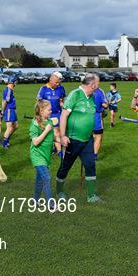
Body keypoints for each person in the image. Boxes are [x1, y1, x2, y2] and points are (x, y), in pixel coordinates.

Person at [56, 73, 101, 203]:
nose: (98, 86)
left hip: (87, 140)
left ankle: (91, 196)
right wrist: (63, 136)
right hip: (72, 139)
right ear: (92, 85)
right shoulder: (74, 95)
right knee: (66, 166)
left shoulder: (91, 97)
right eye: (97, 84)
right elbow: (63, 116)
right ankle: (59, 191)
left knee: (90, 165)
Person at [29, 100, 58, 207]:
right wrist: (46, 130)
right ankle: (51, 205)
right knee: (47, 178)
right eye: (49, 110)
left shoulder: (49, 122)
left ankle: (35, 201)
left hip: (46, 156)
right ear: (41, 111)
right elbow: (35, 142)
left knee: (40, 180)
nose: (51, 111)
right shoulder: (35, 124)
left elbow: (52, 137)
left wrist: (61, 140)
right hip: (37, 156)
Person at [37, 72, 66, 155]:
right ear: (50, 81)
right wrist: (40, 114)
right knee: (49, 132)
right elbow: (39, 102)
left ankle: (58, 150)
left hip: (57, 113)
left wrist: (64, 108)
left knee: (58, 132)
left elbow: (62, 100)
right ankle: (55, 149)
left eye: (58, 82)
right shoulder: (43, 89)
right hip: (47, 115)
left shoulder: (60, 88)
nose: (58, 84)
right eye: (56, 82)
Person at [1, 77, 19, 148]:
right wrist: (2, 111)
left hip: (12, 110)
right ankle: (4, 143)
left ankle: (7, 139)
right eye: (16, 81)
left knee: (16, 126)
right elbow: (5, 101)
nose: (16, 83)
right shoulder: (8, 90)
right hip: (9, 110)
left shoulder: (10, 90)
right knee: (9, 127)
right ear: (13, 82)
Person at [92, 82, 108, 160]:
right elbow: (105, 104)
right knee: (98, 136)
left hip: (84, 117)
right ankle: (94, 155)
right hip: (96, 116)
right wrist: (105, 105)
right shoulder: (100, 91)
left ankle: (86, 153)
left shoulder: (83, 90)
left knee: (89, 135)